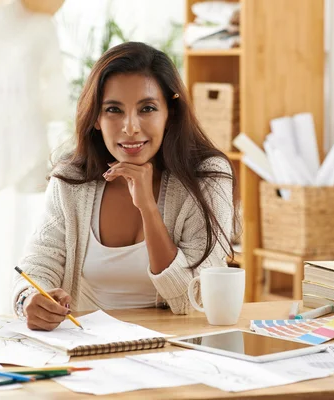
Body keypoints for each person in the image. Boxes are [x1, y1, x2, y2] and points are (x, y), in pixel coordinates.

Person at [12, 42, 237, 331]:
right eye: (114, 110)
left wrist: (148, 208)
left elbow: (192, 299)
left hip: (175, 348)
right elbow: (35, 268)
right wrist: (28, 301)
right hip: (87, 348)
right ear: (96, 118)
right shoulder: (71, 179)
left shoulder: (207, 177)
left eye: (147, 108)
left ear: (170, 114)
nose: (130, 127)